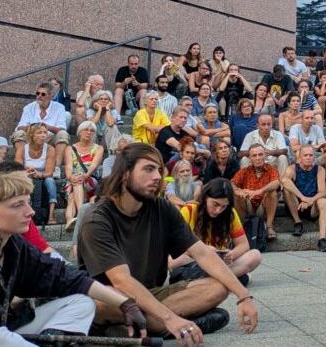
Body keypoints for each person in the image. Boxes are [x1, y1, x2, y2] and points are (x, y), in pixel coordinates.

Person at [0, 170, 145, 344]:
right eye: (17, 205)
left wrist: (125, 303)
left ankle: (53, 343)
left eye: (29, 203)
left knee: (81, 302)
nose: (30, 212)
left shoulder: (16, 246)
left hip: (6, 328)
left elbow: (65, 276)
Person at [78, 144, 256, 339]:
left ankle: (138, 328)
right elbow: (121, 280)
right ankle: (167, 324)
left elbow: (202, 253)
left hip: (151, 292)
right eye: (148, 169)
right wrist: (170, 318)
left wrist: (243, 295)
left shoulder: (162, 208)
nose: (157, 176)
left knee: (219, 287)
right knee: (102, 302)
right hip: (111, 297)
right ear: (125, 174)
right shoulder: (97, 219)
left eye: (159, 170)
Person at [169, 178, 262, 286]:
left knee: (255, 255)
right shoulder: (189, 210)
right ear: (205, 198)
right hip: (194, 261)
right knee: (172, 261)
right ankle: (230, 278)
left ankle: (203, 281)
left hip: (220, 262)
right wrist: (202, 251)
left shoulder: (230, 213)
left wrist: (231, 254)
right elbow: (176, 246)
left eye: (223, 206)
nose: (218, 210)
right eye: (215, 204)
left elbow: (244, 245)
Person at [280, 145, 326, 250]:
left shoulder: (319, 170)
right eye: (305, 155)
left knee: (323, 201)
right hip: (295, 204)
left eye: (311, 155)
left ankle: (322, 239)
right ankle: (298, 222)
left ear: (314, 157)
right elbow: (284, 181)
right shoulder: (292, 169)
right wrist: (302, 198)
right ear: (300, 157)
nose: (308, 157)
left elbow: (323, 192)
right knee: (286, 188)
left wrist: (310, 201)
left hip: (312, 206)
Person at [231, 145, 281, 242]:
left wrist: (259, 191)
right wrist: (237, 190)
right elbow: (232, 182)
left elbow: (276, 183)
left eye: (260, 154)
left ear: (265, 156)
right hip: (248, 205)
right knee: (236, 195)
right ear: (250, 158)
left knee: (272, 193)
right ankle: (243, 226)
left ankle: (269, 226)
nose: (258, 158)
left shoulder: (272, 170)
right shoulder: (244, 171)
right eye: (254, 155)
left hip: (263, 207)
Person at [12, 83, 69, 163]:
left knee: (63, 134)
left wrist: (45, 127)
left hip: (49, 138)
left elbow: (61, 129)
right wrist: (34, 127)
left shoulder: (59, 107)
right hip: (31, 136)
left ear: (51, 96)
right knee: (19, 134)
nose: (39, 96)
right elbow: (20, 127)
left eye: (43, 94)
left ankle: (57, 167)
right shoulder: (29, 107)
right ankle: (20, 164)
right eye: (37, 93)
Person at [64, 121, 104, 230]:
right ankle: (70, 220)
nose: (89, 132)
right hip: (72, 180)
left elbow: (94, 165)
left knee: (78, 182)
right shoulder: (70, 148)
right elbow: (68, 166)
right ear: (79, 132)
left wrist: (84, 176)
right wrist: (70, 177)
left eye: (92, 131)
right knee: (72, 193)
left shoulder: (98, 148)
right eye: (86, 130)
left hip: (90, 180)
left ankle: (78, 215)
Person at [16, 125, 57, 226]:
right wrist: (27, 172)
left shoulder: (50, 149)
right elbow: (17, 169)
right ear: (31, 135)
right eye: (39, 133)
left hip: (43, 177)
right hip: (27, 177)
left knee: (50, 181)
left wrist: (38, 174)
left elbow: (49, 173)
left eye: (44, 133)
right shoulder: (22, 149)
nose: (43, 135)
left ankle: (51, 216)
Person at [166, 160, 203, 224]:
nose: (185, 173)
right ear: (177, 173)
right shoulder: (172, 184)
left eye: (188, 170)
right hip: (178, 213)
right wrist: (186, 206)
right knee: (176, 206)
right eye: (182, 171)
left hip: (191, 214)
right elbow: (171, 197)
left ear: (191, 171)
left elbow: (197, 201)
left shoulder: (195, 185)